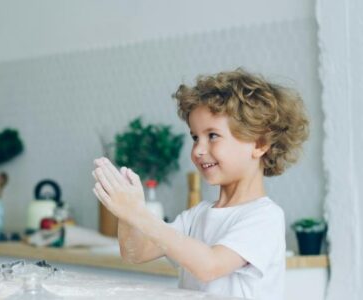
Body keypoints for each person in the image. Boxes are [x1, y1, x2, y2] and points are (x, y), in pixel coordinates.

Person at [92, 69, 309, 299]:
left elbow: (209, 266)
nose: (198, 150)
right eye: (195, 137)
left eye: (212, 135)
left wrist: (139, 215)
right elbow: (135, 253)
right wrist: (127, 213)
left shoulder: (264, 217)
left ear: (260, 143)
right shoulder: (197, 216)